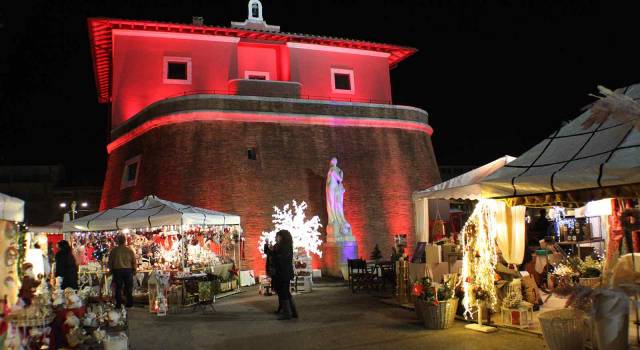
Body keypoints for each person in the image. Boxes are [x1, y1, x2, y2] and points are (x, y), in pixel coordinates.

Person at [265, 230, 297, 320]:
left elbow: (279, 259)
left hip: (283, 273)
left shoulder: (284, 247)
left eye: (277, 236)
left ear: (282, 237)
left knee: (283, 292)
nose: (276, 238)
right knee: (285, 292)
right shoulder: (282, 246)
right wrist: (268, 247)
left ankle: (287, 313)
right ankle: (293, 312)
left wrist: (272, 254)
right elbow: (273, 255)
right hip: (283, 272)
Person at [108, 235, 137, 308]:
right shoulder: (129, 250)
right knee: (128, 288)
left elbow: (110, 262)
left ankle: (118, 304)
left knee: (118, 288)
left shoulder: (114, 251)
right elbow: (134, 261)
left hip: (117, 271)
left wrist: (110, 270)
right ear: (125, 241)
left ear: (118, 241)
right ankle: (129, 303)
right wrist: (134, 270)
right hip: (128, 270)